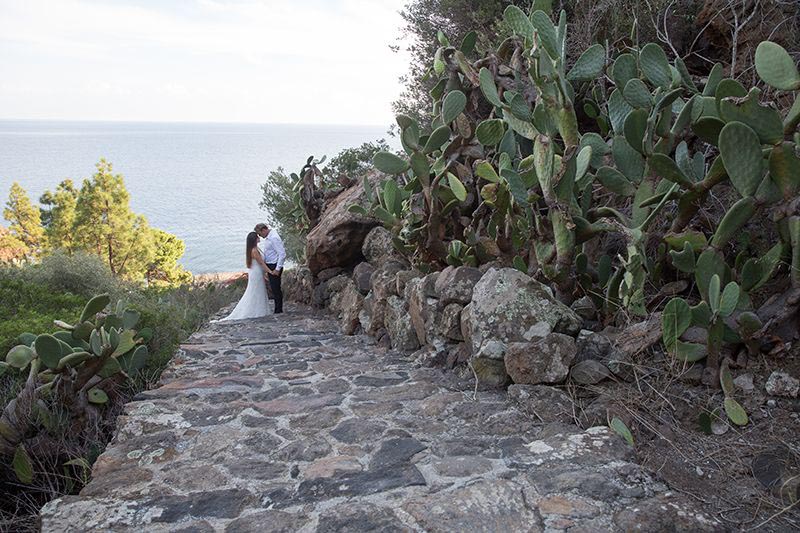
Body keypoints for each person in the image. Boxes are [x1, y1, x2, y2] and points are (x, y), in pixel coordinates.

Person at [214, 232, 275, 321]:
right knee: (255, 291)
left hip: (256, 272)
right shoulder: (254, 250)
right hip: (256, 273)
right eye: (257, 237)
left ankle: (259, 309)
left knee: (258, 291)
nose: (259, 238)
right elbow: (261, 263)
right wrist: (270, 271)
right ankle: (256, 310)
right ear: (254, 239)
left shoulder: (254, 249)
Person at [255, 222, 286, 314]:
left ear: (263, 230)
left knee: (276, 288)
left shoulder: (274, 238)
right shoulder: (269, 237)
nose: (260, 236)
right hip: (270, 265)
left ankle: (278, 310)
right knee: (274, 288)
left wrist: (277, 268)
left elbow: (282, 254)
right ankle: (278, 309)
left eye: (260, 234)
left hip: (274, 265)